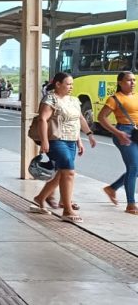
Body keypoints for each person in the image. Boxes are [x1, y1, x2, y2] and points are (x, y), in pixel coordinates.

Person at [29, 72, 96, 223]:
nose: (71, 87)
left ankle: (40, 198)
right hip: (56, 140)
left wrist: (86, 136)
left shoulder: (74, 100)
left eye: (72, 84)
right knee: (69, 172)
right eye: (68, 84)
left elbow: (78, 120)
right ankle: (67, 209)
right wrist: (44, 141)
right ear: (58, 84)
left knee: (61, 173)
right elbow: (42, 120)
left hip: (71, 141)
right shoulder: (50, 99)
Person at [99, 71, 138, 215]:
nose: (132, 83)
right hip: (124, 132)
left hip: (136, 132)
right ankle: (131, 205)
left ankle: (112, 188)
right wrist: (117, 132)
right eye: (128, 80)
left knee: (136, 169)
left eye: (134, 80)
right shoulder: (115, 98)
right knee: (133, 167)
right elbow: (101, 117)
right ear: (120, 83)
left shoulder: (136, 96)